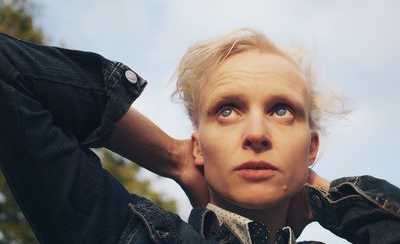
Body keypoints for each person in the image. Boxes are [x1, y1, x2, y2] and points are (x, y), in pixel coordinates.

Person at [0, 29, 398, 244]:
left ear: (310, 147)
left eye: (281, 110)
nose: (257, 134)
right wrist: (172, 156)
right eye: (227, 110)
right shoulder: (128, 236)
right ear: (198, 148)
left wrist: (327, 197)